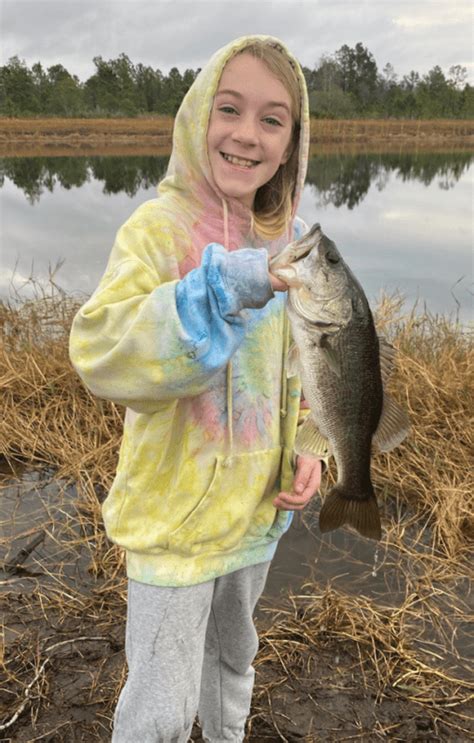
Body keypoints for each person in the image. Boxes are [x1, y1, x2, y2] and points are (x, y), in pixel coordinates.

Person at [69, 34, 324, 743]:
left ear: (294, 141)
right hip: (174, 524)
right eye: (230, 109)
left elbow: (308, 366)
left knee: (233, 659)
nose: (247, 135)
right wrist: (223, 284)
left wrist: (312, 443)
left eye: (273, 120)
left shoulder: (294, 241)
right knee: (160, 703)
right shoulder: (158, 230)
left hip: (255, 516)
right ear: (194, 117)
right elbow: (102, 351)